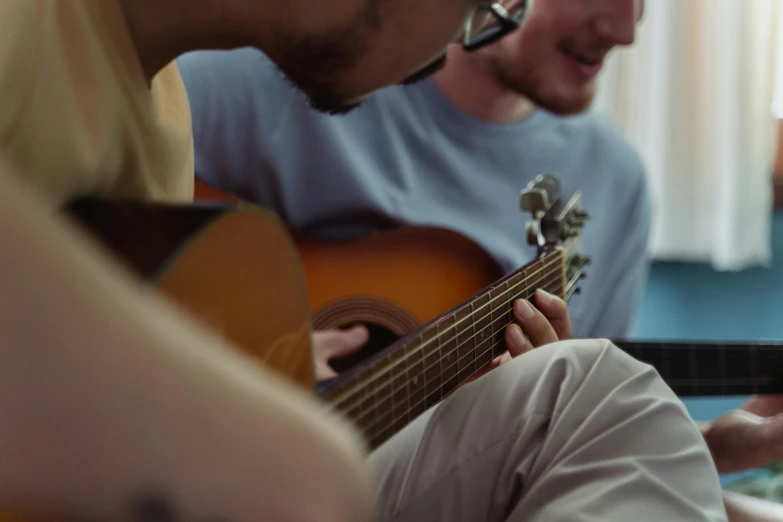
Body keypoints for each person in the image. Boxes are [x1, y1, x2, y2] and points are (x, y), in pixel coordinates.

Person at [0, 0, 741, 522]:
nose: (464, 35)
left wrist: (262, 366)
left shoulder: (165, 120)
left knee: (589, 390)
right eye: (476, 3)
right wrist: (247, 427)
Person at [178, 0, 651, 371]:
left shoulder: (615, 181)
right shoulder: (292, 75)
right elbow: (113, 211)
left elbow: (591, 423)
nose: (625, 30)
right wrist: (236, 354)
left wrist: (703, 446)